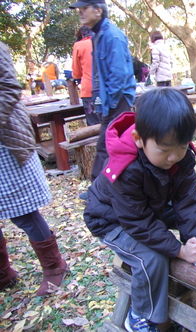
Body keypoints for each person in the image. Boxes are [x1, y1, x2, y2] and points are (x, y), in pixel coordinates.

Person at [83, 88, 196, 332]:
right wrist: (178, 250)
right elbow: (137, 222)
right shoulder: (126, 168)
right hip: (112, 220)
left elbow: (187, 199)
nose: (174, 157)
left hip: (152, 208)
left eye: (181, 147)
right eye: (164, 150)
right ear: (140, 139)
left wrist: (193, 244)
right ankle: (141, 316)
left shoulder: (181, 155)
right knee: (151, 257)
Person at [0, 41, 69, 296]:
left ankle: (55, 267)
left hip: (6, 143)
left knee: (22, 211)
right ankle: (3, 273)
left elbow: (8, 90)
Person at [69, 0, 136, 182]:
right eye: (79, 9)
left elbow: (119, 75)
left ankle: (98, 189)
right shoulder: (98, 35)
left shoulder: (111, 36)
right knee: (109, 145)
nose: (80, 13)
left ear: (98, 10)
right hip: (109, 101)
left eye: (84, 9)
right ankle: (103, 188)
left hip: (117, 100)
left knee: (107, 145)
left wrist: (111, 104)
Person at [72, 26, 100, 126]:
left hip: (89, 91)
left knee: (94, 126)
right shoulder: (103, 41)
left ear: (82, 35)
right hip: (107, 90)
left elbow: (76, 73)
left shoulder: (79, 45)